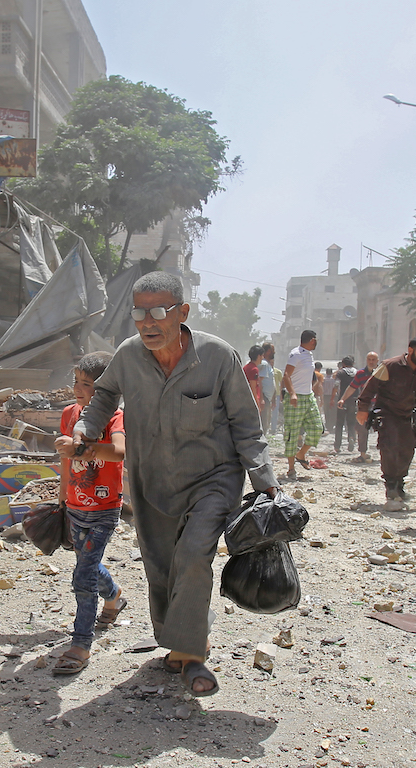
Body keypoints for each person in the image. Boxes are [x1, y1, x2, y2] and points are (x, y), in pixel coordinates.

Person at [73, 272, 277, 697]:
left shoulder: (218, 356)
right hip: (152, 480)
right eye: (139, 313)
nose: (148, 322)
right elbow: (104, 396)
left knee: (194, 554)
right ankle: (179, 640)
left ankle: (192, 654)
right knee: (160, 565)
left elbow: (246, 423)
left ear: (182, 312)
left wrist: (264, 480)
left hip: (213, 478)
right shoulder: (128, 356)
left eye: (159, 312)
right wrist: (85, 429)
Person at [52, 352, 127, 675]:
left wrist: (83, 448)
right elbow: (66, 463)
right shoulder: (69, 414)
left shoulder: (115, 418)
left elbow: (121, 452)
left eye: (87, 384)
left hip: (104, 509)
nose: (78, 389)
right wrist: (61, 499)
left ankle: (80, 644)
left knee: (83, 575)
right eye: (76, 382)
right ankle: (114, 596)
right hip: (75, 506)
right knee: (89, 564)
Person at [356, 338, 416, 511]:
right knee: (389, 447)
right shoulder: (390, 366)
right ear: (411, 350)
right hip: (387, 413)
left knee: (407, 450)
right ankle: (391, 485)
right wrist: (362, 408)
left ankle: (399, 483)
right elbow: (370, 388)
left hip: (408, 416)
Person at [282, 330, 322, 479]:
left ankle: (301, 454)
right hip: (295, 398)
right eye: (316, 340)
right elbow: (286, 375)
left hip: (308, 397)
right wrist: (292, 393)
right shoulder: (296, 354)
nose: (317, 342)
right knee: (292, 432)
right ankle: (291, 469)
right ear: (312, 340)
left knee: (317, 428)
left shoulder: (309, 354)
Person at [337, 351, 379, 463]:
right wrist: (343, 399)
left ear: (377, 361)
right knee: (362, 429)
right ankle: (363, 453)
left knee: (383, 429)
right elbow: (352, 387)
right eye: (369, 359)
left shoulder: (382, 373)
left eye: (373, 359)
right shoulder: (360, 373)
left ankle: (384, 453)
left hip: (380, 405)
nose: (371, 362)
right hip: (365, 405)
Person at [333, 356, 358, 454]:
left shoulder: (341, 372)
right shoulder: (357, 372)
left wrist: (333, 397)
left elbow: (336, 385)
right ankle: (351, 437)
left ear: (343, 364)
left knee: (339, 423)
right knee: (351, 422)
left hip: (342, 400)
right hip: (354, 399)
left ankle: (337, 446)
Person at [258, 343, 277, 434]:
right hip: (264, 398)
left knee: (266, 423)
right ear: (268, 351)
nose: (274, 352)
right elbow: (259, 382)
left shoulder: (267, 364)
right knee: (263, 423)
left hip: (267, 398)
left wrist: (273, 399)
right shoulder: (264, 364)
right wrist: (261, 399)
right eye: (273, 350)